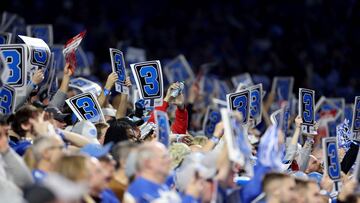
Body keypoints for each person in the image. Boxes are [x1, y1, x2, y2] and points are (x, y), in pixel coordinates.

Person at [123, 142, 202, 202]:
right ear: (148, 163)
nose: (170, 160)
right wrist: (190, 196)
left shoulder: (162, 185)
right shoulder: (139, 189)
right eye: (164, 157)